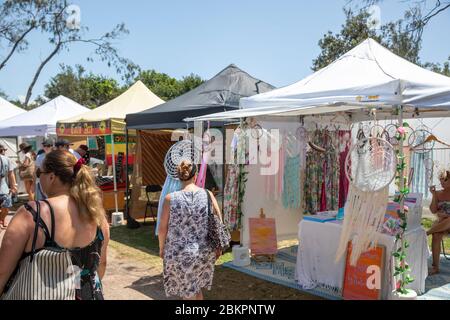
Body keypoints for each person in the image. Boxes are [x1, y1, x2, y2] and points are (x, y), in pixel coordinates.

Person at [0, 150, 110, 300]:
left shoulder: (32, 214)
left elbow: (3, 272)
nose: (39, 178)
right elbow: (101, 265)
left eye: (40, 173)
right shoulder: (96, 215)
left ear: (51, 177)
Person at [158, 160, 222, 300]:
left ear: (179, 177)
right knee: (195, 290)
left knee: (188, 293)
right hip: (204, 251)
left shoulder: (170, 199)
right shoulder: (208, 194)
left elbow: (162, 228)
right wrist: (218, 246)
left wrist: (162, 248)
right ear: (196, 175)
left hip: (178, 252)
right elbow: (218, 220)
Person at [427, 169, 450, 275]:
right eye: (441, 180)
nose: (441, 182)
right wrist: (433, 195)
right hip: (442, 224)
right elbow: (433, 210)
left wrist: (446, 215)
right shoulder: (438, 193)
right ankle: (435, 267)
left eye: (444, 180)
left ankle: (428, 232)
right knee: (436, 235)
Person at [0, 145, 17, 229]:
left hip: (3, 187)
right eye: (2, 150)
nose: (3, 152)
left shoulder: (6, 159)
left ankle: (2, 219)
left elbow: (11, 173)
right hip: (3, 187)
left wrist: (14, 186)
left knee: (6, 207)